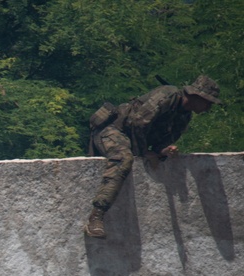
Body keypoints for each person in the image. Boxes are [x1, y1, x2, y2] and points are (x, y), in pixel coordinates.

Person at [85, 75, 222, 238]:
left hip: (131, 139)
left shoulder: (184, 116)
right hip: (115, 130)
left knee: (128, 156)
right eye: (207, 102)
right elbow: (137, 123)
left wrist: (164, 150)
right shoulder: (167, 95)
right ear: (195, 96)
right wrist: (144, 152)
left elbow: (161, 142)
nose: (208, 107)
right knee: (123, 159)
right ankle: (96, 217)